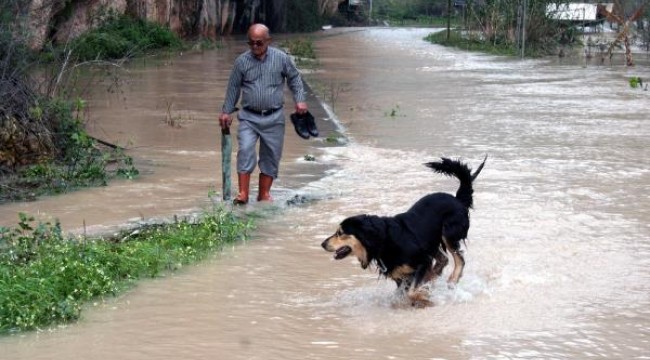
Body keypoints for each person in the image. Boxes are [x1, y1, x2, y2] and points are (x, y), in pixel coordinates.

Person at [219, 23, 308, 205]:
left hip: (274, 116)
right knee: (245, 150)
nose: (254, 47)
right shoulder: (242, 62)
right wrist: (226, 112)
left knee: (271, 155)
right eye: (251, 43)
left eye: (259, 43)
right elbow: (233, 89)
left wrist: (300, 100)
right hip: (249, 117)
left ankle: (264, 194)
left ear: (268, 41)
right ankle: (243, 193)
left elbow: (295, 79)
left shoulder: (281, 58)